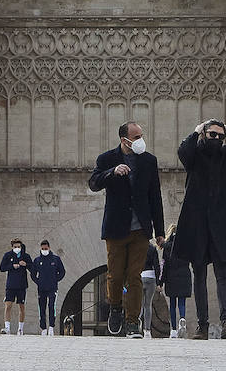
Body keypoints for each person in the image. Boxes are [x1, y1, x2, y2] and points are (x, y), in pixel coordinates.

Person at [174, 119, 226, 339]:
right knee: (198, 273)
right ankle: (202, 325)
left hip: (221, 222)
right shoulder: (194, 155)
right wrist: (196, 130)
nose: (217, 139)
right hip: (196, 222)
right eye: (213, 135)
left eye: (220, 136)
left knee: (222, 272)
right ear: (204, 135)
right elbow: (182, 151)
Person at [88, 121, 165, 338]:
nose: (141, 140)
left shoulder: (149, 161)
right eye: (137, 136)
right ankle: (115, 309)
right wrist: (112, 172)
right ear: (125, 140)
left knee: (135, 276)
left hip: (141, 228)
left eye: (142, 135)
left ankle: (132, 322)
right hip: (116, 227)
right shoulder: (107, 159)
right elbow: (93, 183)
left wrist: (159, 230)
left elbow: (155, 196)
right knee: (115, 275)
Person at [160, 222, 192, 338]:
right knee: (182, 302)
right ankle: (182, 319)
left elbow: (164, 265)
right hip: (184, 275)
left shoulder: (167, 247)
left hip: (171, 277)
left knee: (172, 304)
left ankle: (173, 329)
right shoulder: (185, 246)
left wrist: (161, 282)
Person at [30, 239, 66, 337]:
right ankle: (43, 328)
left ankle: (51, 327)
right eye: (42, 249)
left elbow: (62, 272)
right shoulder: (37, 260)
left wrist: (55, 280)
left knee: (51, 306)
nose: (44, 250)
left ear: (49, 248)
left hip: (52, 288)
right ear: (40, 249)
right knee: (42, 308)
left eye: (46, 248)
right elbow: (33, 274)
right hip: (41, 289)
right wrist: (38, 282)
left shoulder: (56, 259)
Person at [0, 238, 32, 335]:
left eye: (18, 247)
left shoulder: (25, 256)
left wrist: (25, 264)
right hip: (11, 284)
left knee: (21, 306)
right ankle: (7, 327)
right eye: (15, 247)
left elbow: (32, 267)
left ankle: (20, 329)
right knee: (8, 305)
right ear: (12, 247)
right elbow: (2, 268)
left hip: (22, 285)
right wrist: (12, 266)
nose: (17, 248)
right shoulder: (8, 255)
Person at [139, 237, 162, 338]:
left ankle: (137, 321)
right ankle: (147, 330)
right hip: (151, 277)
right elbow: (157, 265)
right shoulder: (152, 249)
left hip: (140, 276)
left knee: (139, 303)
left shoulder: (137, 248)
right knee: (148, 304)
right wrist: (158, 283)